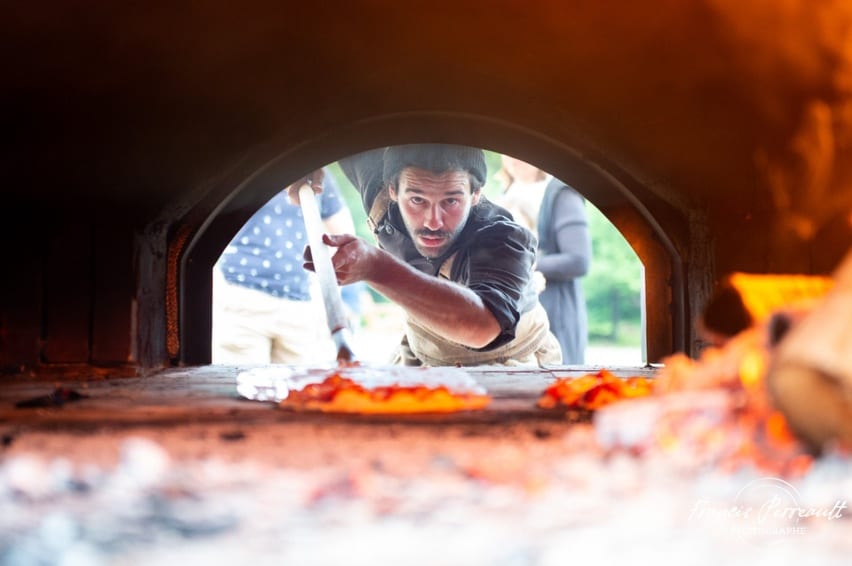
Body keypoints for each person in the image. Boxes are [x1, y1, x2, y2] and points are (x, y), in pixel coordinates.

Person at [289, 144, 562, 367]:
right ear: (392, 190)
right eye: (417, 200)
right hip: (422, 355)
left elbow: (482, 327)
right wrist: (306, 158)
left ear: (475, 194)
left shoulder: (504, 238)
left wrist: (376, 267)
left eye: (451, 201)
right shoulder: (379, 197)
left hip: (512, 365)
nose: (433, 222)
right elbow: (338, 127)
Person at [212, 169, 358, 364]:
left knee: (296, 380)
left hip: (298, 304)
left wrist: (346, 300)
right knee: (240, 377)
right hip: (243, 299)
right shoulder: (245, 169)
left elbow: (346, 237)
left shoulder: (317, 174)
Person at [497, 155, 591, 364]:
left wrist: (519, 264)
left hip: (554, 314)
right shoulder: (506, 191)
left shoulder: (561, 193)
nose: (512, 156)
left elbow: (578, 260)